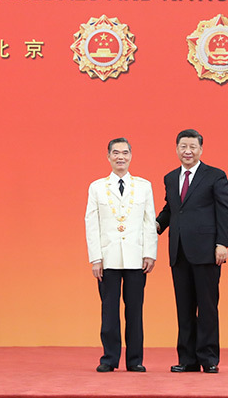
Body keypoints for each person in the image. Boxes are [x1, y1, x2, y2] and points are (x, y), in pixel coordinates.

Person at [156, 129, 228, 374]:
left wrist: (222, 243)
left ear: (201, 149)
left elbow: (225, 210)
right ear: (176, 149)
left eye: (192, 147)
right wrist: (155, 226)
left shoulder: (215, 176)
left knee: (207, 306)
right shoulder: (170, 177)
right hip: (179, 251)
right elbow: (172, 209)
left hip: (206, 251)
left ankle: (208, 358)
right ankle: (187, 359)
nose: (187, 151)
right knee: (184, 307)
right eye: (183, 147)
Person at [85, 137, 157, 372]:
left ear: (131, 156)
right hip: (108, 258)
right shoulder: (97, 187)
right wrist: (96, 258)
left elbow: (149, 221)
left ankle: (135, 360)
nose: (120, 157)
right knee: (109, 311)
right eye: (115, 153)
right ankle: (109, 359)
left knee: (135, 311)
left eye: (125, 153)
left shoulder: (144, 186)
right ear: (108, 157)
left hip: (136, 257)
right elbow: (91, 224)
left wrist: (150, 253)